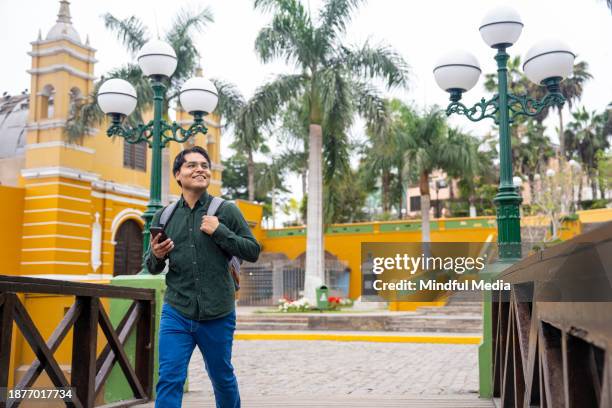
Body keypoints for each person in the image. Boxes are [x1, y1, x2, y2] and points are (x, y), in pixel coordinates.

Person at [145, 145, 260, 408]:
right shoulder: (164, 216)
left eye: (204, 165)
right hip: (177, 311)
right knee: (169, 378)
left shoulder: (226, 210)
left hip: (218, 312)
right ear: (177, 175)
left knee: (221, 377)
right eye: (191, 165)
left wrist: (221, 231)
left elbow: (252, 251)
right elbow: (151, 267)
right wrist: (156, 254)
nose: (200, 169)